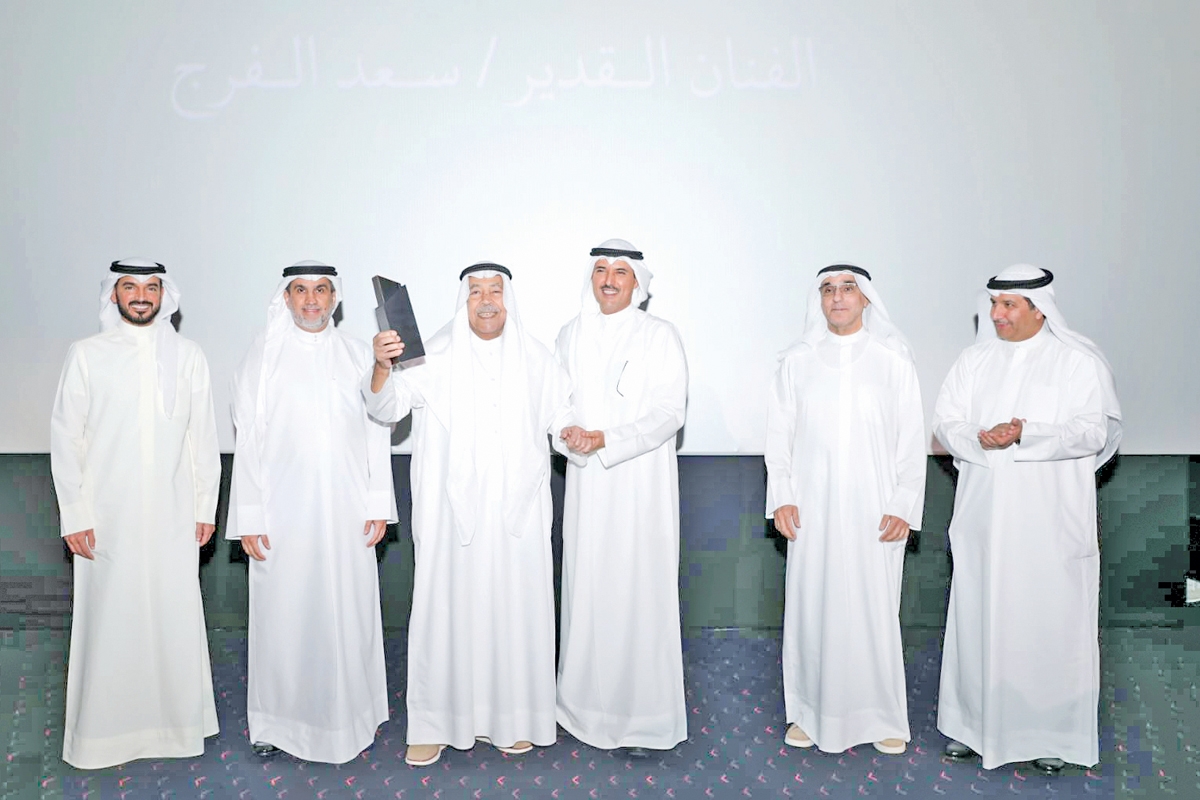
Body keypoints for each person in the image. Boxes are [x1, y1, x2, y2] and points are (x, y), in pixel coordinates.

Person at [365, 263, 578, 767]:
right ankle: (434, 725)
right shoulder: (431, 355)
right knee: (446, 612)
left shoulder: (537, 358)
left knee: (513, 611)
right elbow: (385, 409)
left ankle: (512, 719)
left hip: (517, 517)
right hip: (449, 518)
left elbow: (561, 416)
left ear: (508, 300)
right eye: (476, 291)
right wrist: (381, 367)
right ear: (464, 301)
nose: (486, 300)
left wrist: (572, 433)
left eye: (494, 291)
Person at [933, 264, 1122, 773]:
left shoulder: (1077, 362)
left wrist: (1026, 432)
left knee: (1046, 621)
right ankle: (972, 727)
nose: (996, 314)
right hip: (984, 518)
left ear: (1041, 309)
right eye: (994, 304)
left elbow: (1093, 432)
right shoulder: (973, 361)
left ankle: (1049, 735)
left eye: (1008, 305)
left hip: (1049, 522)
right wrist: (977, 437)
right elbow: (946, 422)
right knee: (980, 614)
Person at [51, 258, 220, 769]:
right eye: (130, 286)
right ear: (114, 294)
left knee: (172, 617)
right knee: (110, 621)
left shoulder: (188, 356)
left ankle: (176, 729)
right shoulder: (86, 354)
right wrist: (75, 513)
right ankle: (103, 737)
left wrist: (205, 506)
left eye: (151, 287)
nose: (141, 296)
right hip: (107, 517)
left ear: (164, 295)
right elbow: (66, 438)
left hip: (173, 514)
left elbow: (202, 438)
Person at [227, 260, 396, 764]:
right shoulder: (262, 358)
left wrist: (378, 503)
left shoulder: (357, 354)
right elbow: (247, 439)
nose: (311, 300)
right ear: (286, 298)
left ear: (334, 298)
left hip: (347, 509)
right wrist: (250, 516)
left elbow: (377, 432)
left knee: (347, 612)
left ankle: (355, 716)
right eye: (300, 290)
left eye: (321, 290)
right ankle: (276, 723)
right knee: (284, 616)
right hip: (282, 513)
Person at [764, 265, 926, 756]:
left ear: (866, 299)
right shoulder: (797, 361)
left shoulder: (892, 359)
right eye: (828, 290)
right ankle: (809, 713)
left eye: (848, 289)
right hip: (811, 508)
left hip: (875, 509)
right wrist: (782, 495)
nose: (837, 298)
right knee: (812, 607)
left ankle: (882, 716)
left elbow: (911, 438)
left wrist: (904, 503)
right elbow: (779, 437)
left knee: (872, 611)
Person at [554, 238, 688, 756]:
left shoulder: (660, 335)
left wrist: (607, 439)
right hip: (588, 486)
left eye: (620, 272)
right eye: (601, 271)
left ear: (637, 282)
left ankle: (645, 716)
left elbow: (669, 413)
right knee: (588, 589)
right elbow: (556, 405)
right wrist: (569, 433)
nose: (609, 280)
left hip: (640, 488)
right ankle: (581, 709)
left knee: (638, 591)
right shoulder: (570, 334)